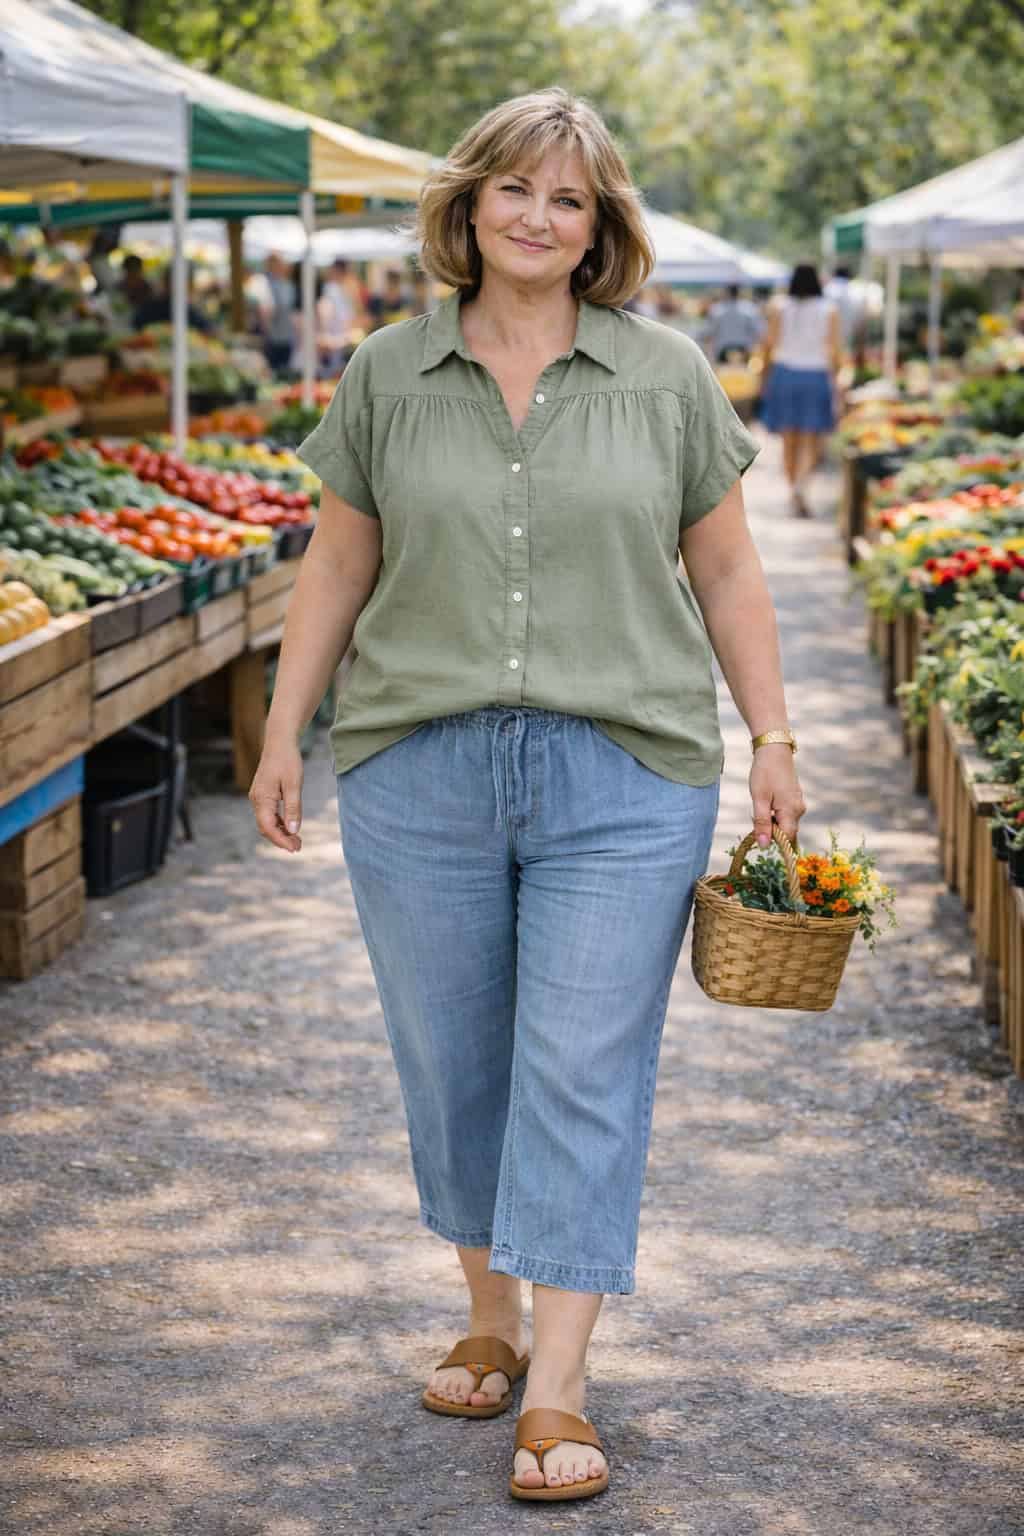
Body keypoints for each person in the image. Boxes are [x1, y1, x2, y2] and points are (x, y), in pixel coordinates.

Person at [249, 87, 806, 1504]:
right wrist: (281, 726)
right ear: (471, 205)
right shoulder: (383, 369)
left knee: (581, 1065)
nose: (540, 218)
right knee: (456, 1058)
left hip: (623, 772)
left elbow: (730, 568)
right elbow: (338, 561)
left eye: (571, 199)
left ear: (600, 223)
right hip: (417, 764)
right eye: (516, 190)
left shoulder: (667, 375)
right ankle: (488, 1315)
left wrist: (775, 736)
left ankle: (556, 1384)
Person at [759, 263, 842, 517]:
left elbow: (768, 345)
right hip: (816, 374)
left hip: (784, 373)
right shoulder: (829, 310)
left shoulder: (778, 306)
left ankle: (794, 488)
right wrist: (837, 380)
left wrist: (763, 378)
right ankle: (800, 487)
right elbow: (835, 349)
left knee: (788, 439)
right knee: (810, 438)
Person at [703, 283, 765, 362]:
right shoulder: (750, 309)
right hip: (744, 350)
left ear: (726, 292)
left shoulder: (717, 309)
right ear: (739, 292)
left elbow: (708, 332)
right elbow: (759, 331)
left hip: (723, 350)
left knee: (723, 373)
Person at [261, 252, 297, 371]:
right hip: (273, 338)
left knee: (283, 369)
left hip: (286, 337)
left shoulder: (287, 285)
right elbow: (266, 311)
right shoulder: (265, 283)